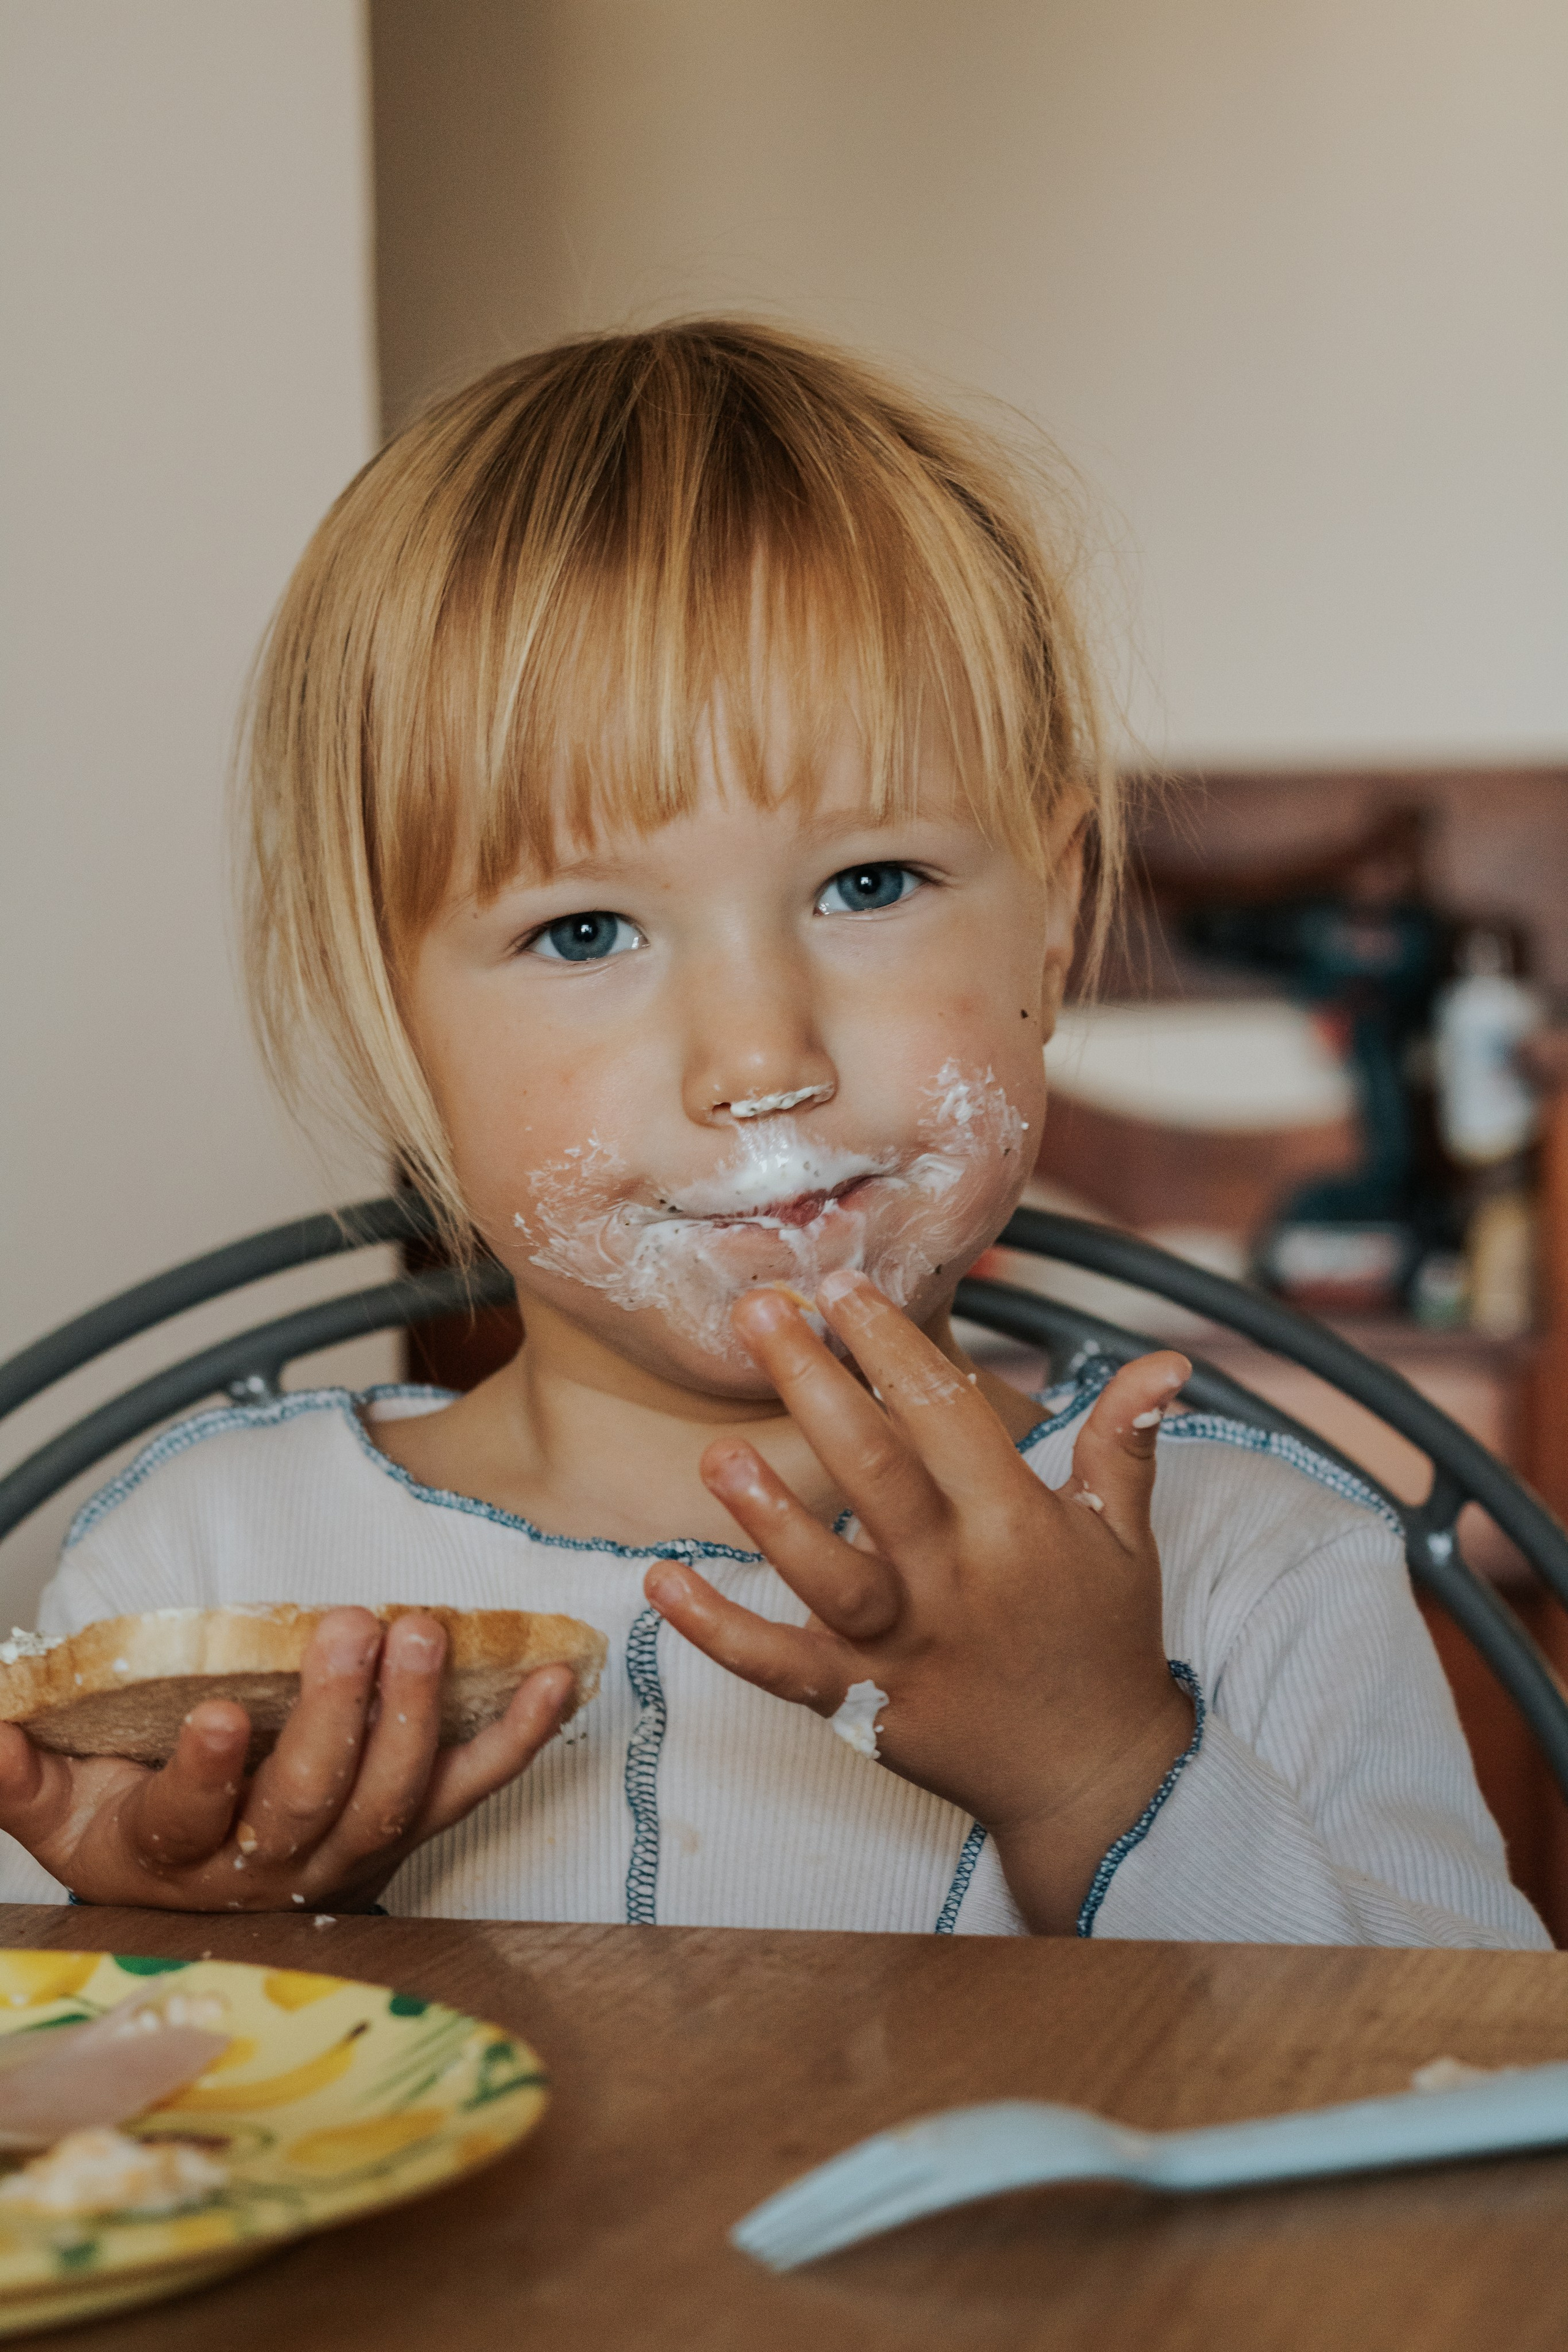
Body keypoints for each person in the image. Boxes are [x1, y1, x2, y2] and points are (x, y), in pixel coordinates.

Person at [0, 322, 1546, 1946]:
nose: (760, 1061)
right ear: (389, 1025)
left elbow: (1455, 2135)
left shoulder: (1252, 1568)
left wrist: (1108, 1774)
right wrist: (176, 1929)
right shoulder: (206, 1576)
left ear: (1054, 920)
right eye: (586, 931)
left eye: (868, 887)